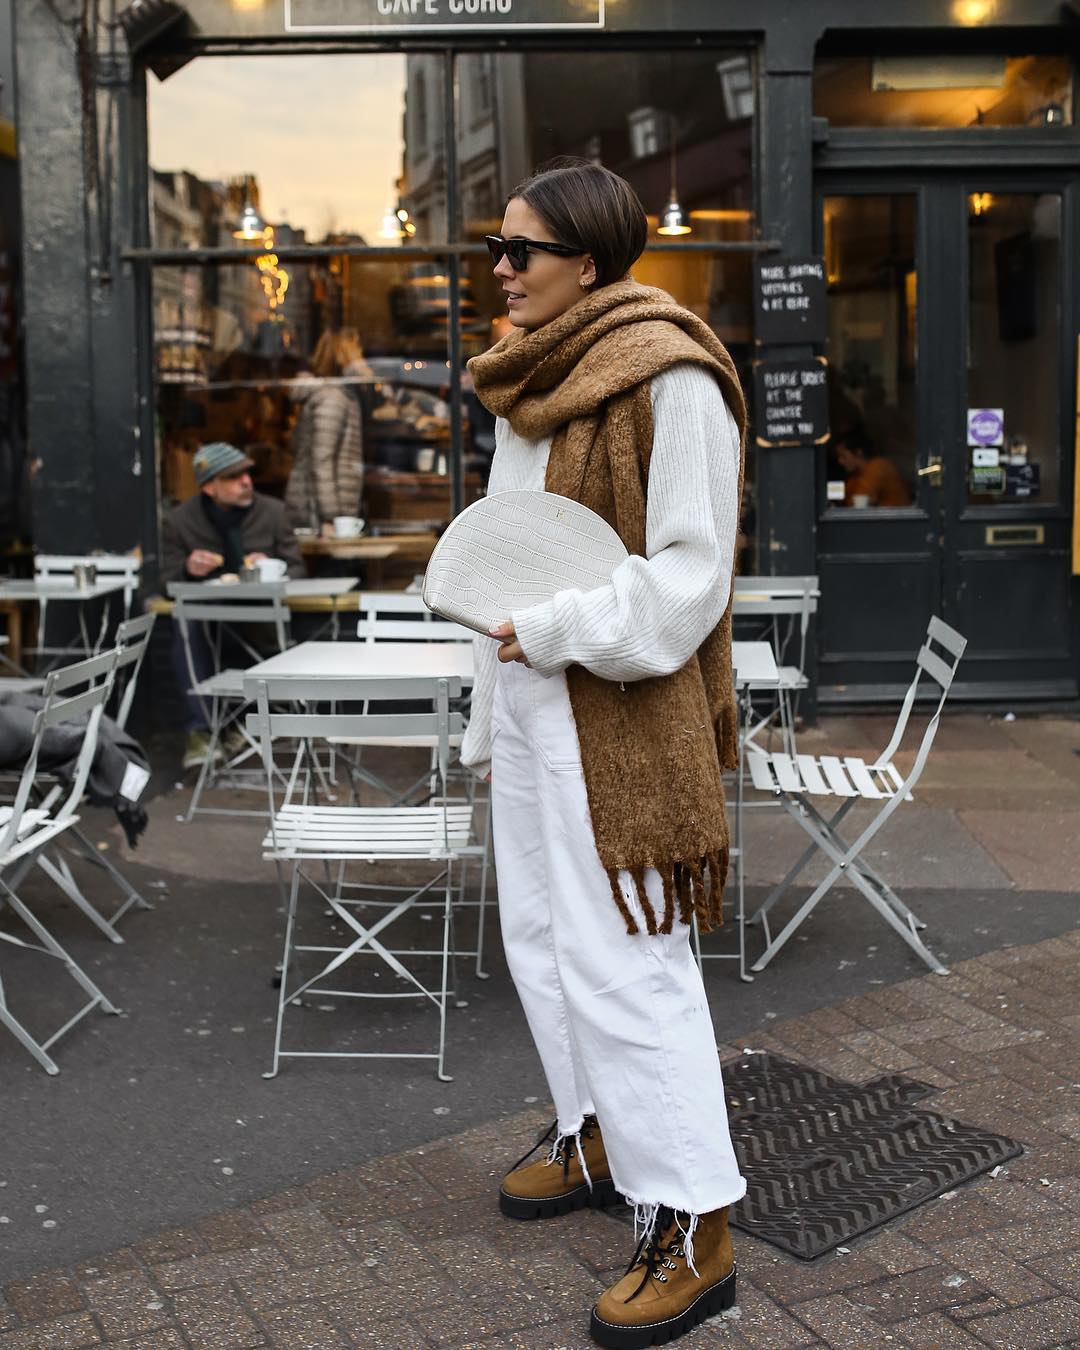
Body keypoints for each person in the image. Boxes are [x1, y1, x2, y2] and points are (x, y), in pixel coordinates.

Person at [461, 160, 747, 1348]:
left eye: (523, 251)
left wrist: (563, 631)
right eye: (498, 248)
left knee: (632, 964)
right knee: (539, 939)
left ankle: (694, 1222)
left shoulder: (670, 376)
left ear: (589, 260)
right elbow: (506, 554)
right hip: (532, 704)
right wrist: (495, 693)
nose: (502, 270)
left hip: (617, 712)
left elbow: (688, 575)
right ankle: (589, 1130)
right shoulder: (528, 387)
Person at [161, 441, 303, 769]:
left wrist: (273, 566)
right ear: (209, 486)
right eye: (233, 477)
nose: (246, 482)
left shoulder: (273, 512)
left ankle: (244, 724)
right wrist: (188, 568)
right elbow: (165, 581)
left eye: (247, 474)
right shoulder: (181, 521)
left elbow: (298, 569)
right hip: (210, 623)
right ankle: (202, 732)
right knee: (186, 625)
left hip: (263, 621)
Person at [285, 328, 370, 532]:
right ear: (344, 356)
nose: (361, 357)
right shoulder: (332, 399)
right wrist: (330, 518)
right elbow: (321, 461)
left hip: (327, 510)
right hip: (320, 515)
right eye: (357, 351)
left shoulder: (336, 396)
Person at [834, 427, 911, 507]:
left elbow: (859, 502)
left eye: (843, 456)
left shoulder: (878, 466)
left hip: (896, 517)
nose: (840, 461)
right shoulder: (856, 475)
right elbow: (842, 497)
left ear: (858, 452)